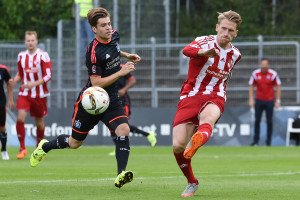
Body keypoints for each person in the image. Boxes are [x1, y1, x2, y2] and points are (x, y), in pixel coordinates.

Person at [30, 7, 141, 189]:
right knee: (74, 144)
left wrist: (127, 55)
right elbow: (96, 83)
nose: (108, 28)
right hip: (91, 101)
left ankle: (121, 174)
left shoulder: (114, 36)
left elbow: (114, 49)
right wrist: (121, 72)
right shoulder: (92, 52)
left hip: (111, 98)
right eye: (103, 25)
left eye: (109, 23)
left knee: (123, 129)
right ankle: (45, 146)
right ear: (94, 29)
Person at [172, 10, 242, 197]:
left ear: (235, 33)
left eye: (230, 30)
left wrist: (221, 96)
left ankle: (198, 139)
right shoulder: (204, 41)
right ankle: (192, 182)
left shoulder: (235, 54)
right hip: (191, 94)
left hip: (216, 94)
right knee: (178, 146)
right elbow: (187, 51)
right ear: (217, 27)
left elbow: (225, 78)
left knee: (208, 119)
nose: (226, 33)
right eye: (224, 28)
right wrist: (203, 53)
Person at [12, 31, 52, 159]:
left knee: (39, 122)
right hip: (25, 92)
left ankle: (39, 148)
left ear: (36, 41)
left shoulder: (43, 55)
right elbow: (20, 74)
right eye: (28, 40)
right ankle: (22, 148)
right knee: (20, 118)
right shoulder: (21, 56)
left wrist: (33, 84)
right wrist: (14, 80)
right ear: (25, 42)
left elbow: (48, 75)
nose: (30, 43)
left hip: (39, 94)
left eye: (32, 40)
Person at [108, 65, 157, 156]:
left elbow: (132, 80)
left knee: (122, 125)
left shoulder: (121, 67)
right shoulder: (104, 67)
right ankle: (119, 147)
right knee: (112, 125)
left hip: (122, 100)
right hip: (110, 99)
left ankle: (148, 135)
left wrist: (124, 89)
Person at [248, 58, 281, 146]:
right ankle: (256, 141)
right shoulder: (255, 74)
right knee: (257, 120)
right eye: (262, 66)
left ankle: (268, 142)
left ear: (268, 66)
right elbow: (251, 86)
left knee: (269, 121)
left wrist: (277, 100)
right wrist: (251, 99)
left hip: (270, 101)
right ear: (260, 65)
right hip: (259, 100)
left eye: (265, 66)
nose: (264, 67)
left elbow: (278, 86)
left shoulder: (273, 74)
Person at [0, 64, 14, 160]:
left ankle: (4, 150)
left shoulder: (3, 69)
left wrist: (10, 99)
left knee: (2, 127)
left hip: (0, 101)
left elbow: (9, 83)